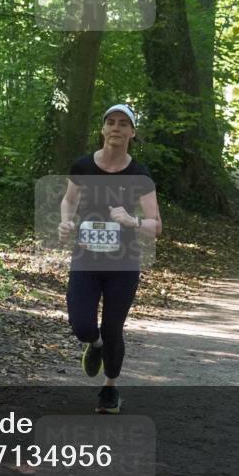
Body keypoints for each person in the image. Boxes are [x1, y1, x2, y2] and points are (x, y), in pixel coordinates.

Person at [59, 104, 161, 414]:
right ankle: (95, 344)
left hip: (123, 264)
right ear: (103, 130)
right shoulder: (83, 166)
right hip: (86, 259)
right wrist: (66, 221)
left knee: (114, 327)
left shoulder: (139, 174)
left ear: (132, 132)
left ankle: (110, 389)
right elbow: (68, 200)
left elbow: (155, 226)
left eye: (123, 124)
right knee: (81, 324)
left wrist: (132, 221)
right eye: (111, 122)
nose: (116, 128)